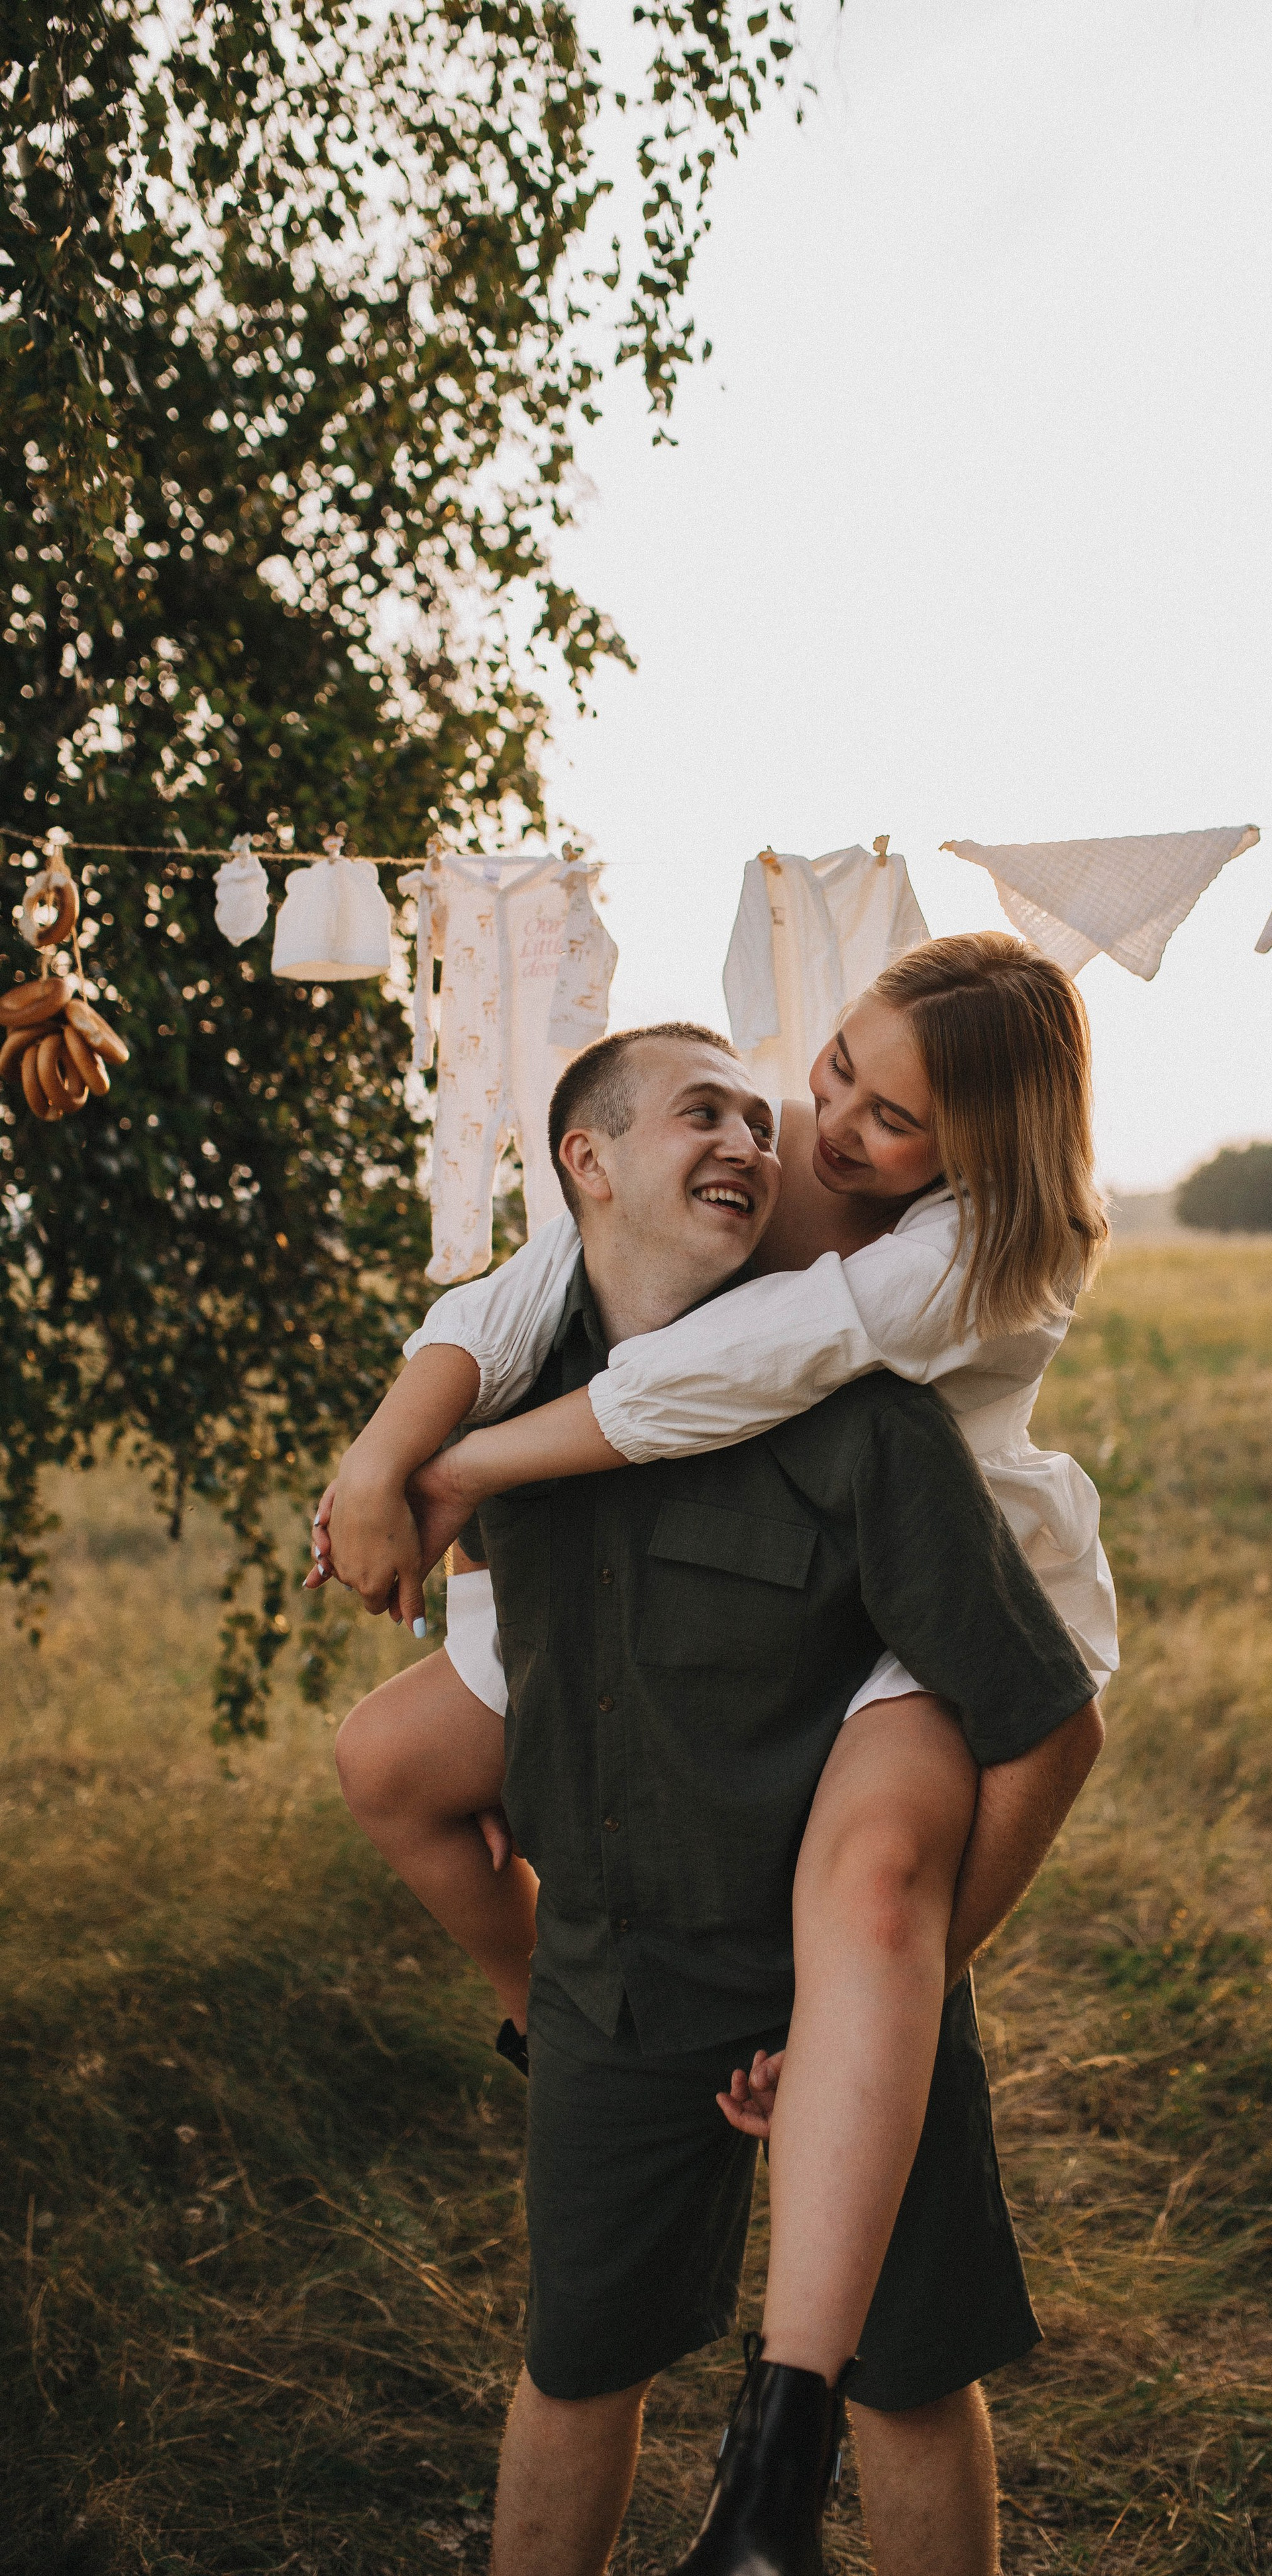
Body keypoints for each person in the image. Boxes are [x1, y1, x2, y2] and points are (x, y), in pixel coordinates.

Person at [318, 938, 1117, 2412]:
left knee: (872, 1882)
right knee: (390, 1760)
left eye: (891, 1119)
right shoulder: (774, 1139)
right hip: (691, 1557)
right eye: (840, 1067)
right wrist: (383, 1454)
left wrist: (469, 1469)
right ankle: (542, 2012)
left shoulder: (980, 1247)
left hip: (914, 1596)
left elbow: (743, 1367)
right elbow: (525, 1287)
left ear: (979, 1150)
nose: (831, 1123)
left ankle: (813, 2290)